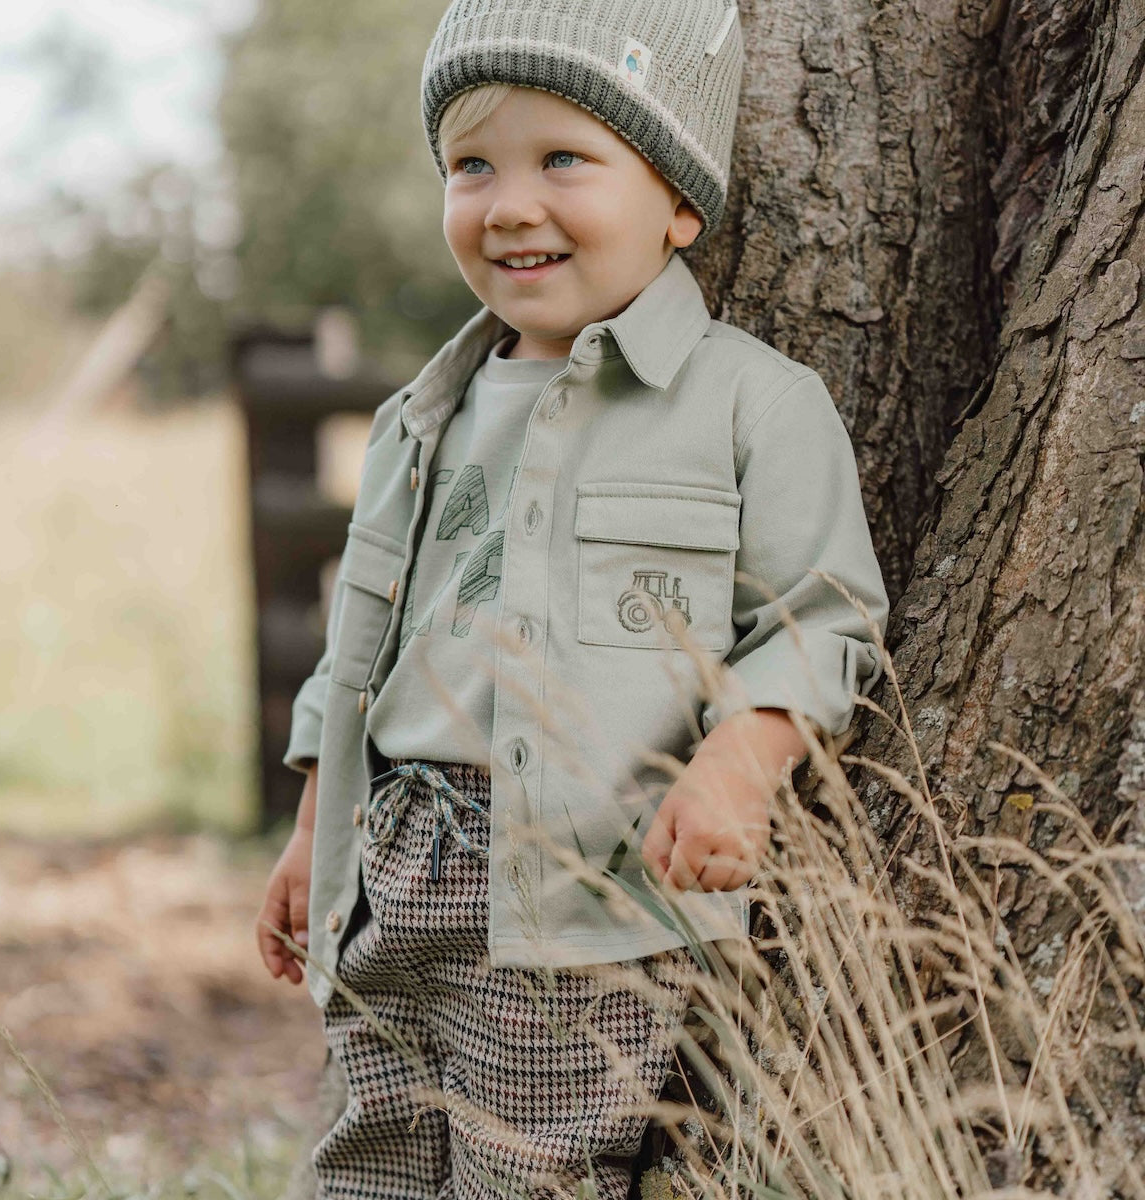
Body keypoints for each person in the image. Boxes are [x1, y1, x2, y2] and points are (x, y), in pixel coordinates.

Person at [256, 0, 890, 1195]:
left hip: (581, 886)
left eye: (564, 159)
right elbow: (364, 646)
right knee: (367, 1154)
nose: (508, 204)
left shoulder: (752, 405)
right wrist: (312, 833)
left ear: (678, 202)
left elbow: (824, 612)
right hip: (393, 864)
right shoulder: (421, 417)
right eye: (471, 165)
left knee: (530, 1171)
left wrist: (739, 765)